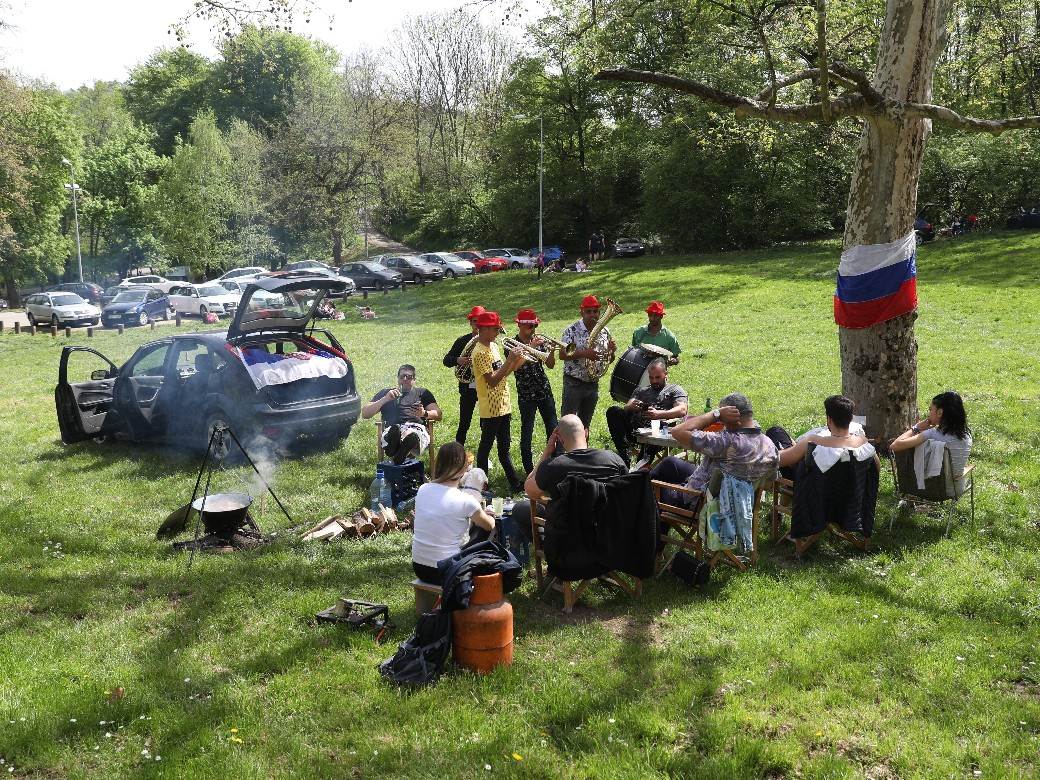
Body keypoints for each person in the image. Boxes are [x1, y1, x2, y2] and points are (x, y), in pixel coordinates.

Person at [650, 393, 778, 510]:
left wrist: (715, 414)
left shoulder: (726, 442)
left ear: (733, 418)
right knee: (670, 463)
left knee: (650, 491)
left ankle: (653, 523)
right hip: (742, 507)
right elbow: (768, 484)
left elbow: (677, 432)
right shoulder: (770, 446)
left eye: (722, 419)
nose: (721, 422)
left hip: (704, 504)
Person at [511, 414, 628, 542]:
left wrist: (547, 452)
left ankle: (545, 545)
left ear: (560, 439)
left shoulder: (552, 466)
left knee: (520, 509)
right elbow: (627, 491)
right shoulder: (614, 459)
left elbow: (529, 489)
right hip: (610, 537)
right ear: (586, 433)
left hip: (568, 542)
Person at [411, 442, 497, 584]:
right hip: (448, 570)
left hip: (420, 568)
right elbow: (489, 526)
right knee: (483, 528)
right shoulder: (466, 500)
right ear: (464, 469)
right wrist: (490, 514)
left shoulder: (423, 489)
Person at [471, 310, 527, 493]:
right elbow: (493, 381)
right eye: (495, 329)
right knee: (485, 449)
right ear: (484, 329)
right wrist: (510, 359)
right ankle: (482, 486)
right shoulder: (480, 352)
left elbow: (504, 373)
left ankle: (515, 483)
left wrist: (517, 360)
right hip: (491, 408)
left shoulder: (493, 347)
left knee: (504, 448)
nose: (497, 333)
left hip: (503, 404)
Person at [605, 358, 688, 467]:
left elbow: (682, 410)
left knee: (654, 432)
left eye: (657, 377)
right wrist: (632, 406)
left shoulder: (674, 389)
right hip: (636, 429)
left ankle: (640, 468)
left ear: (665, 374)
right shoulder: (641, 390)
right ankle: (624, 455)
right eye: (651, 377)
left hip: (659, 431)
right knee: (613, 411)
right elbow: (627, 406)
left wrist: (658, 414)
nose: (654, 381)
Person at [506, 308, 559, 475]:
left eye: (535, 326)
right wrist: (530, 347)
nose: (533, 329)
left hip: (543, 389)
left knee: (553, 427)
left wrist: (551, 351)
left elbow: (550, 364)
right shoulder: (512, 344)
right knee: (527, 430)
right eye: (530, 326)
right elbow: (514, 367)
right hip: (526, 392)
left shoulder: (538, 341)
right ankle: (528, 468)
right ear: (520, 325)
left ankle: (554, 463)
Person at [890, 390, 973, 492]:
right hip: (956, 490)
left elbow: (894, 446)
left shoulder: (931, 434)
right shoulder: (967, 435)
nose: (929, 413)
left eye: (930, 410)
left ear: (940, 412)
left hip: (928, 489)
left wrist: (916, 428)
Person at [361, 364, 442, 465]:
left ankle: (395, 450)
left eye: (409, 377)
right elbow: (365, 414)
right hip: (392, 429)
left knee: (413, 435)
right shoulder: (387, 393)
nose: (405, 379)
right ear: (398, 378)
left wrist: (424, 413)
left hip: (415, 428)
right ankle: (399, 449)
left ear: (414, 379)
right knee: (394, 431)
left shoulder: (422, 393)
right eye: (402, 376)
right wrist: (385, 399)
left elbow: (438, 414)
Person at [560, 294, 617, 430]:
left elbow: (608, 359)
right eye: (588, 311)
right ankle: (562, 445)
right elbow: (562, 354)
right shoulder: (571, 330)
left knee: (585, 425)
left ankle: (584, 444)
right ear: (582, 312)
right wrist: (584, 353)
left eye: (595, 311)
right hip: (574, 383)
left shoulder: (604, 331)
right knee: (567, 425)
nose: (592, 315)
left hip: (592, 383)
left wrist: (611, 351)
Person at [443, 305, 485, 445]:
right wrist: (458, 360)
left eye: (480, 322)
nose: (477, 325)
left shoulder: (490, 341)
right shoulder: (462, 341)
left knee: (485, 422)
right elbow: (446, 360)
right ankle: (458, 449)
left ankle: (484, 452)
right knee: (464, 422)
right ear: (470, 323)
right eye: (474, 321)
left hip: (485, 385)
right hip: (467, 387)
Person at [631, 301, 681, 365]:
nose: (652, 318)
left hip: (659, 369)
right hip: (639, 366)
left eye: (656, 315)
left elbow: (676, 357)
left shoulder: (669, 336)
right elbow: (633, 351)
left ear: (661, 316)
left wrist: (673, 360)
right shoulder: (638, 332)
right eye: (650, 315)